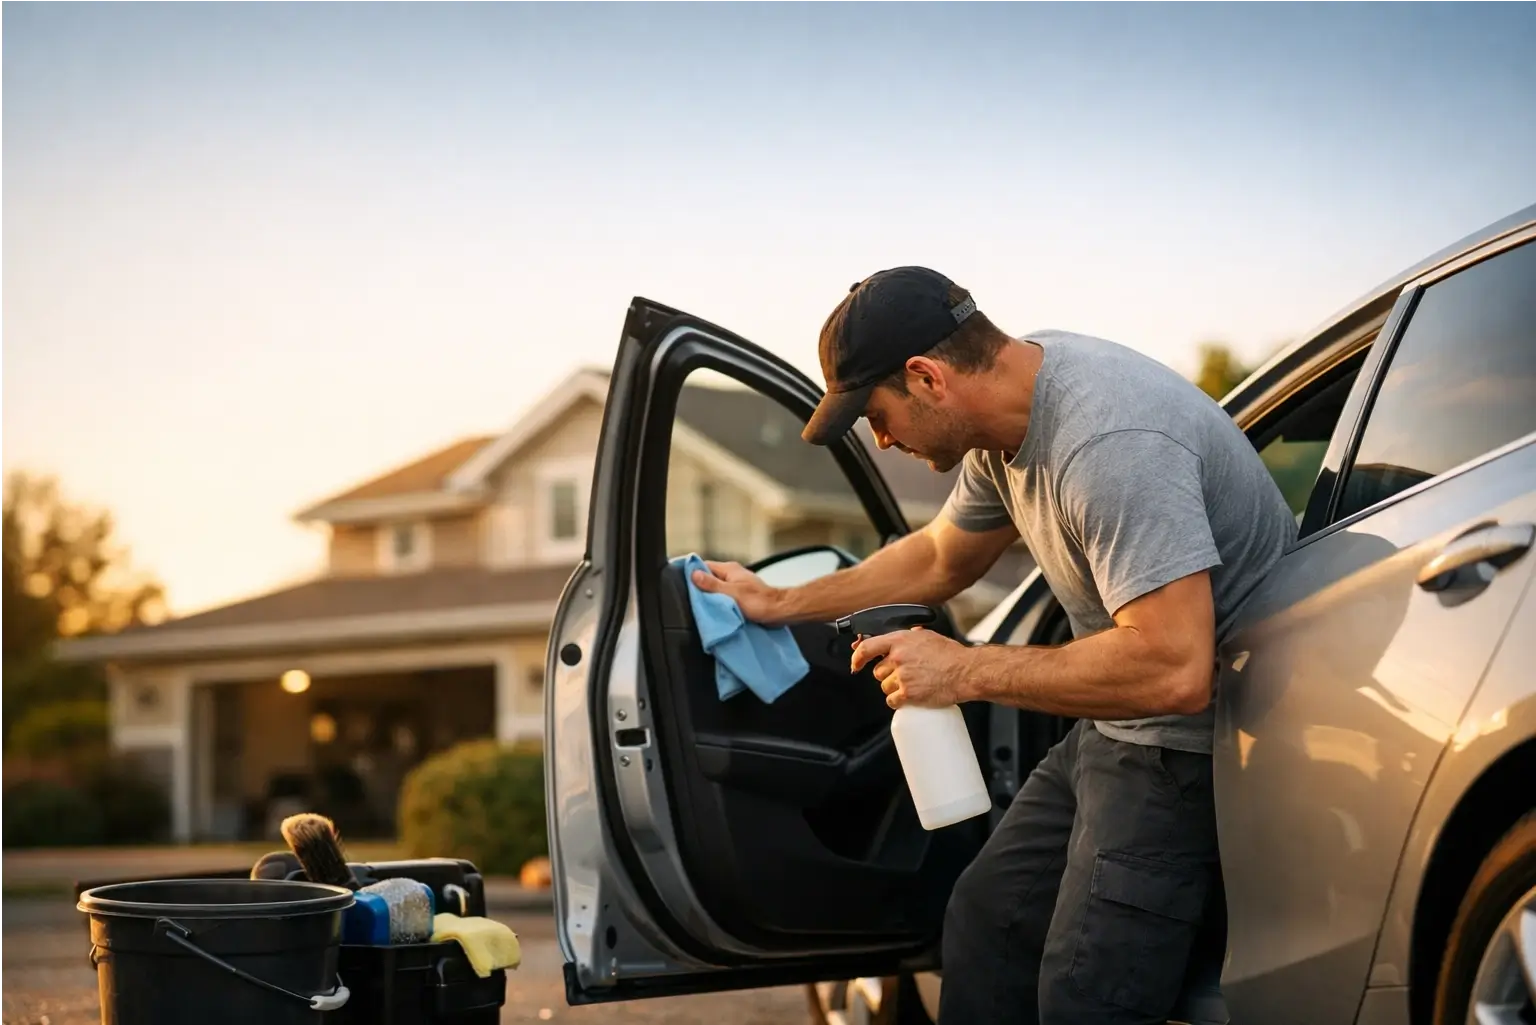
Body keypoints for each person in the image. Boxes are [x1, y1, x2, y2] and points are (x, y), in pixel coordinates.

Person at [690, 266, 1296, 1025]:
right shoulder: (1001, 423)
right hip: (1116, 729)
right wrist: (778, 602)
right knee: (985, 923)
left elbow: (1176, 668)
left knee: (1084, 999)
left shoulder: (1110, 441)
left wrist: (962, 669)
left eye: (876, 415)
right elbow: (943, 556)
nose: (881, 438)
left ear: (926, 377)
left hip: (1196, 745)